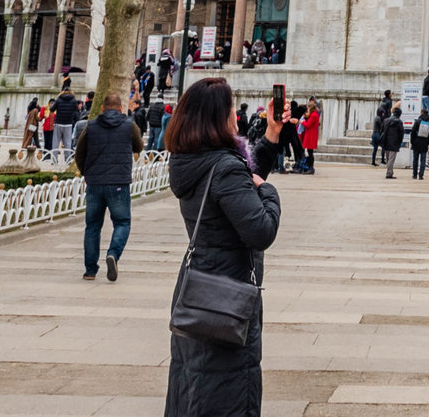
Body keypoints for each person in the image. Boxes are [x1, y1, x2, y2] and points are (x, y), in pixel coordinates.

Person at [166, 77, 281, 417]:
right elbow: (260, 230)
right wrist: (269, 192)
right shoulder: (224, 168)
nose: (235, 114)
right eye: (230, 107)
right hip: (226, 297)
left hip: (197, 288)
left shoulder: (192, 160)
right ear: (218, 117)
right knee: (226, 393)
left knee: (193, 386)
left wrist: (271, 136)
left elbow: (239, 189)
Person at [73, 96, 145, 281]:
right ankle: (113, 253)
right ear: (121, 108)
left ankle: (90, 270)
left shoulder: (91, 126)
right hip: (118, 182)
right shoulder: (129, 125)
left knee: (92, 226)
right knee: (122, 222)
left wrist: (86, 172)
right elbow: (139, 146)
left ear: (102, 108)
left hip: (95, 182)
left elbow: (80, 153)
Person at [51, 87, 82, 152]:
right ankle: (67, 157)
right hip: (68, 124)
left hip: (58, 123)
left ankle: (54, 157)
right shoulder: (73, 100)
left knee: (55, 142)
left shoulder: (58, 100)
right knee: (67, 143)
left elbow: (52, 109)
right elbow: (76, 110)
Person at [377, 105, 404, 179]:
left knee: (388, 158)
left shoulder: (386, 120)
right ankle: (389, 173)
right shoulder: (399, 122)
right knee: (391, 159)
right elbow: (401, 133)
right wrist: (400, 142)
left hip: (386, 142)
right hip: (394, 143)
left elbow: (382, 130)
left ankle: (390, 172)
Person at [408, 104, 429, 180]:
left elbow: (413, 132)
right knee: (423, 160)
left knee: (415, 159)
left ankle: (414, 174)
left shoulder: (418, 121)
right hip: (424, 143)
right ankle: (421, 175)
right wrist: (428, 142)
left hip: (416, 142)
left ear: (421, 113)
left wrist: (412, 141)